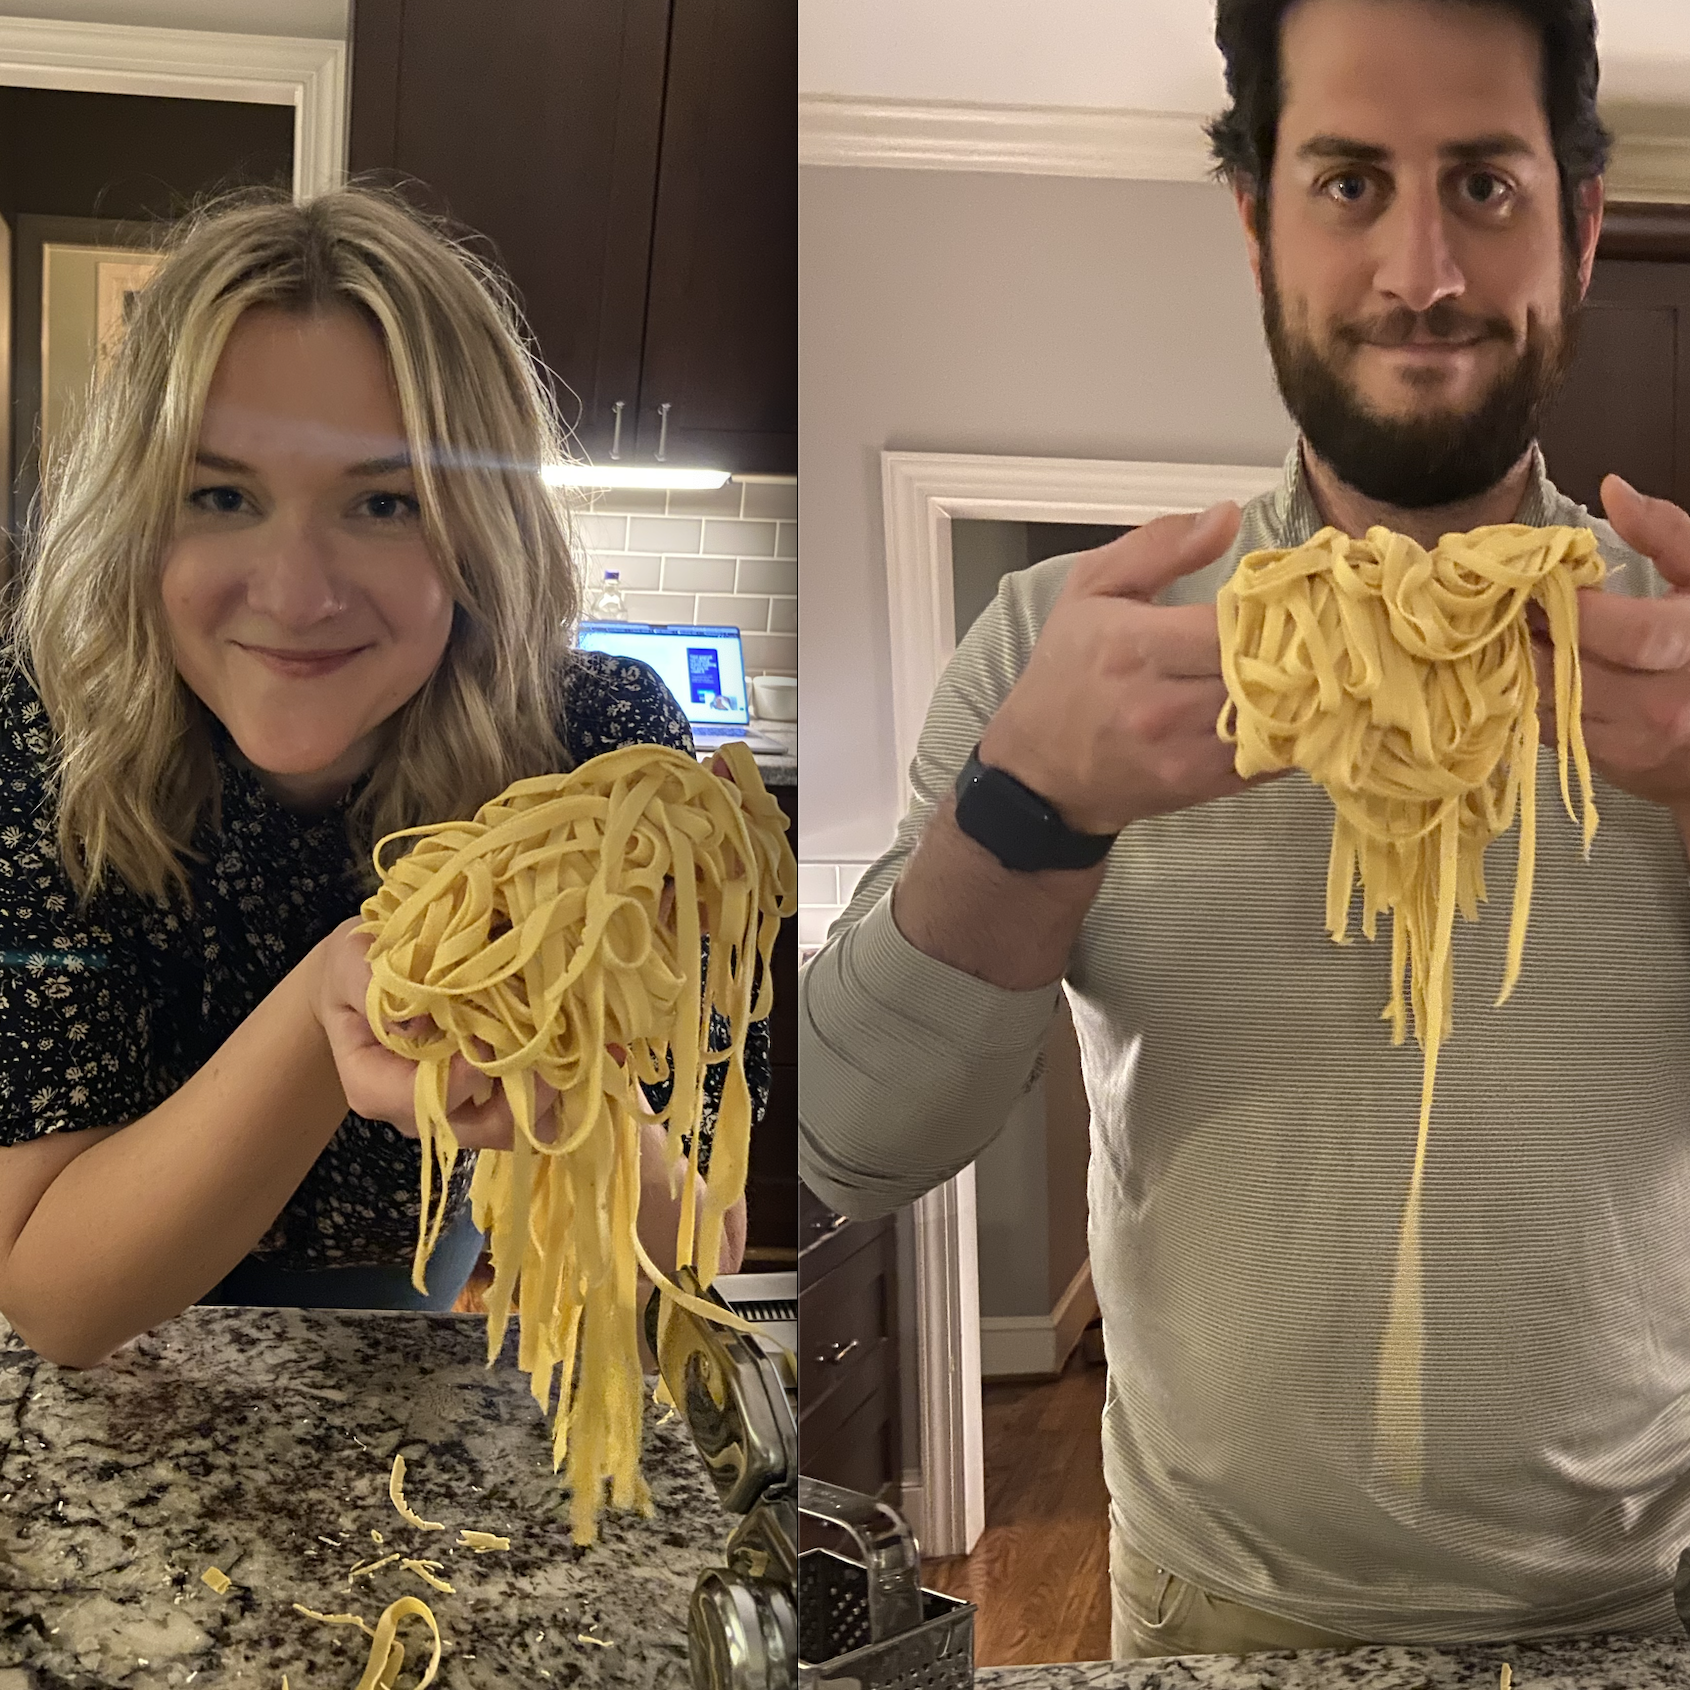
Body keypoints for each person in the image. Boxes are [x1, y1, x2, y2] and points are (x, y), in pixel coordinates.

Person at [800, 0, 1690, 1659]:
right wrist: (1024, 813)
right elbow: (847, 1143)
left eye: (1484, 186)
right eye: (1349, 183)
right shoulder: (1065, 651)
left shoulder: (1679, 642)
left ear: (1578, 225)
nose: (1420, 271)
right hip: (1221, 1622)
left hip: (1646, 1611)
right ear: (1255, 223)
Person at [0, 185, 753, 1369]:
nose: (297, 592)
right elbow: (54, 1299)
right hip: (120, 1380)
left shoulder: (598, 749)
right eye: (222, 495)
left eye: (384, 502)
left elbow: (698, 1242)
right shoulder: (46, 736)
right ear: (141, 514)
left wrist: (565, 1100)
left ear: (481, 529)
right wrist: (343, 993)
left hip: (414, 1353)